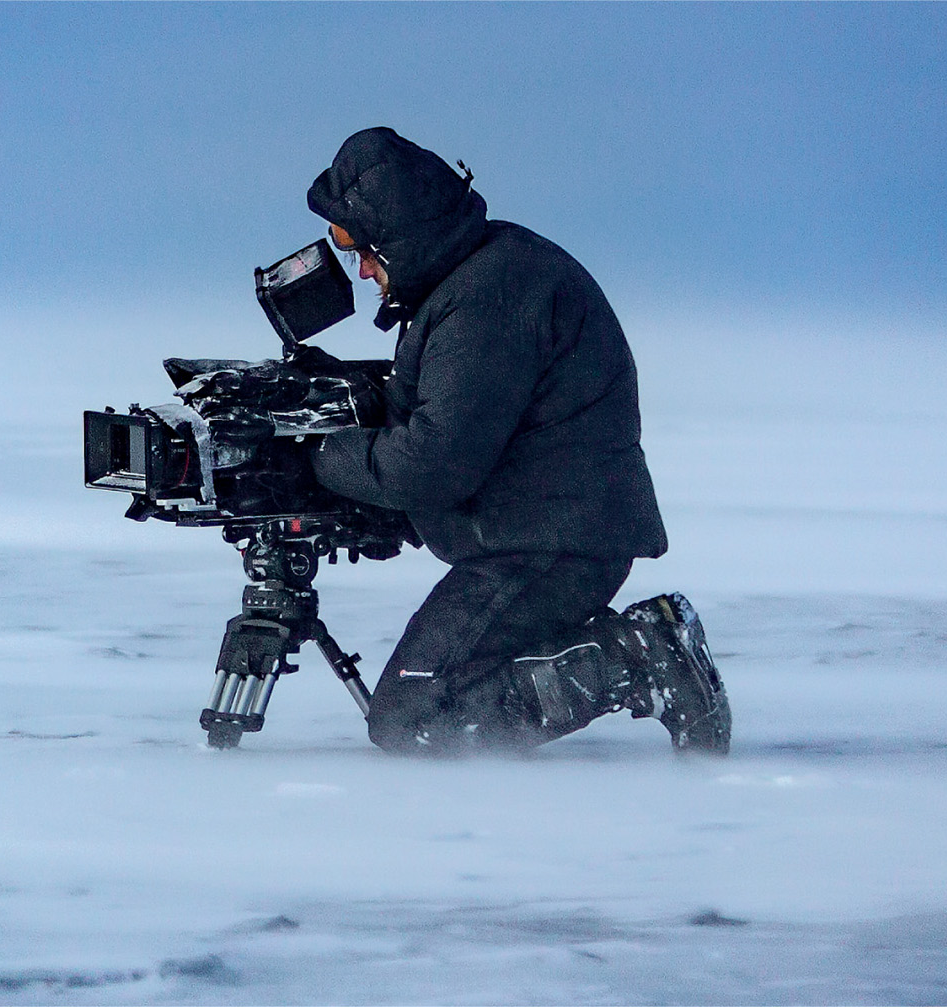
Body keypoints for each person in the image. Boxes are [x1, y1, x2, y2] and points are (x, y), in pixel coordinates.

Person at [305, 127, 730, 755]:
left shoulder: (486, 300)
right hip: (542, 531)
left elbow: (434, 464)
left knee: (416, 716)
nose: (362, 269)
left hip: (551, 544)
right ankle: (630, 654)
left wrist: (317, 455)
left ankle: (638, 658)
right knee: (429, 698)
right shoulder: (481, 276)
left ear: (402, 238)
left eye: (364, 249)